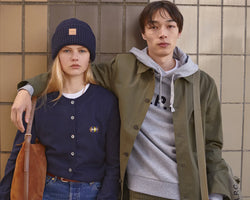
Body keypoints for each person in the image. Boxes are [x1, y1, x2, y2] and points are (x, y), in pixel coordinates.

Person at [9, 1, 232, 200]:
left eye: (169, 26)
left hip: (185, 189)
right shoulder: (124, 68)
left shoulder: (201, 84)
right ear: (143, 34)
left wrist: (215, 194)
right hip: (136, 189)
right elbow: (74, 70)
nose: (162, 34)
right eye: (153, 27)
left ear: (179, 31)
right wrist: (27, 89)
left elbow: (212, 145)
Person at [0, 18, 120, 200]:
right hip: (49, 191)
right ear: (57, 56)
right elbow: (18, 155)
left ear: (90, 57)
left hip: (94, 192)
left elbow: (114, 162)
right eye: (66, 50)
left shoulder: (106, 101)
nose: (74, 57)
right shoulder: (39, 104)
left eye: (82, 50)